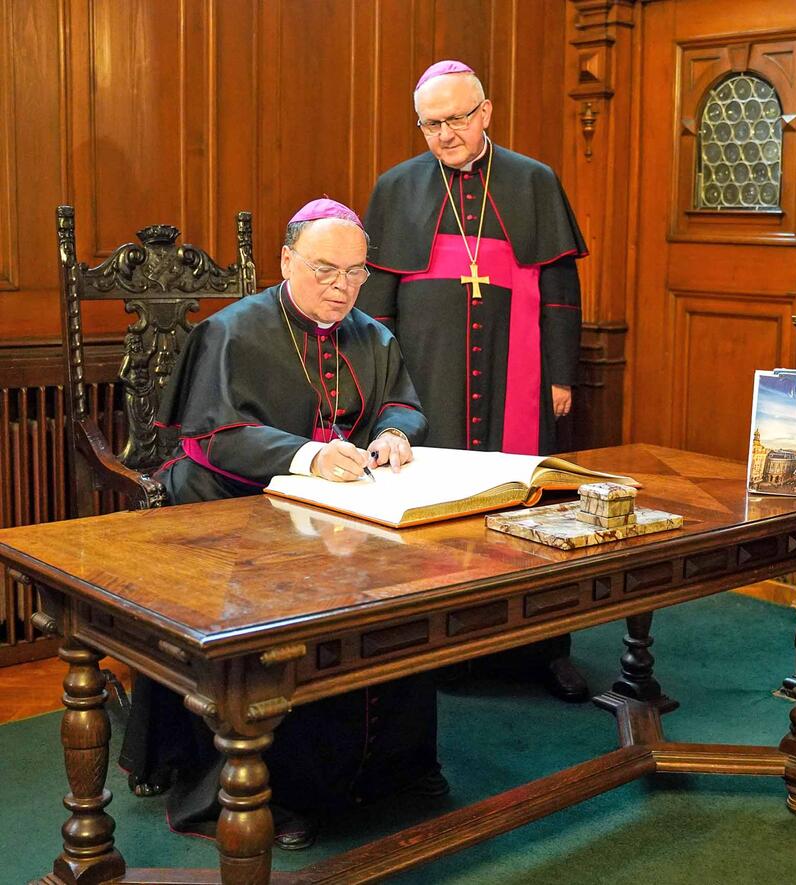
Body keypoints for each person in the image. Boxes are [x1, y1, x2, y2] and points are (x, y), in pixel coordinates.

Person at [120, 198, 446, 850]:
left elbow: (403, 403)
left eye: (356, 273)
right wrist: (308, 456)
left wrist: (392, 434)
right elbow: (214, 438)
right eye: (326, 269)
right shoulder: (232, 332)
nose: (342, 288)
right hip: (225, 513)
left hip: (339, 516)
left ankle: (383, 771)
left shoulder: (370, 333)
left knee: (409, 590)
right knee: (281, 629)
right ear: (285, 259)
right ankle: (261, 786)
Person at [358, 60, 590, 702]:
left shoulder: (533, 181)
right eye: (431, 124)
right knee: (429, 502)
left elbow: (561, 291)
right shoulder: (396, 186)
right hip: (426, 373)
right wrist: (381, 385)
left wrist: (561, 373)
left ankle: (542, 647)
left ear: (485, 113)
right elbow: (376, 302)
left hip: (521, 369)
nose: (446, 134)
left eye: (457, 118)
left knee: (531, 501)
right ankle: (431, 646)